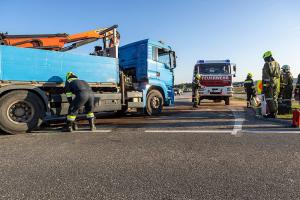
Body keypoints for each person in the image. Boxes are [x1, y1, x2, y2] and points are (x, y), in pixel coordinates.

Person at [262, 51, 281, 118]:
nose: (265, 61)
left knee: (269, 98)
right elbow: (279, 75)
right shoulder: (277, 64)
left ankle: (272, 113)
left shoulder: (267, 64)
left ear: (268, 57)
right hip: (276, 82)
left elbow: (266, 76)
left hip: (269, 83)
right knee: (274, 98)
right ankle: (275, 112)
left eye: (265, 59)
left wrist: (264, 87)